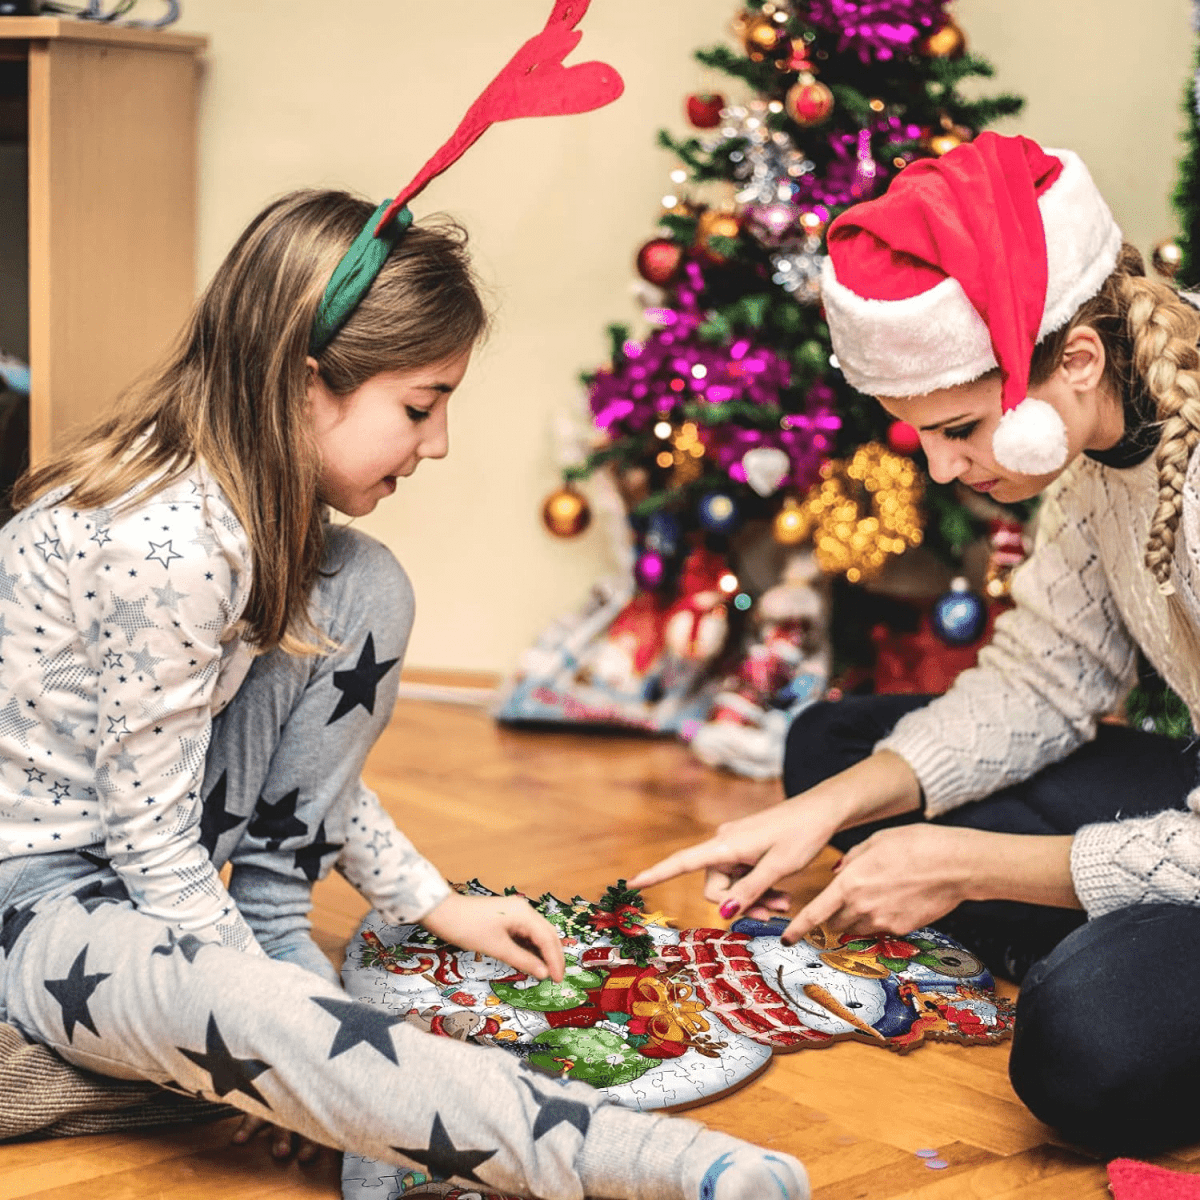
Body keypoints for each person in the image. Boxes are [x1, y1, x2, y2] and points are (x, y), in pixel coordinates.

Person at [0, 183, 809, 1199]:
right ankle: (641, 1165)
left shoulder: (252, 521)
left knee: (363, 579)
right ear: (303, 388)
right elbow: (151, 839)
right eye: (420, 408)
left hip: (153, 843)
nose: (437, 444)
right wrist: (259, 1007)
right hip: (43, 897)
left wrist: (429, 903)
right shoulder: (169, 545)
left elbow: (235, 760)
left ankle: (287, 967)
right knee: (262, 1023)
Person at [631, 131, 1200, 1159]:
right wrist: (829, 812)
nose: (942, 470)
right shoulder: (1106, 428)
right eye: (922, 435)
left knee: (1084, 1040)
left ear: (1075, 360)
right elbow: (1043, 681)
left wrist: (968, 861)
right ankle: (1096, 920)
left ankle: (1088, 943)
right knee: (831, 752)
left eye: (962, 429)